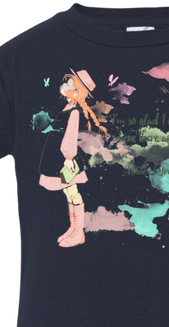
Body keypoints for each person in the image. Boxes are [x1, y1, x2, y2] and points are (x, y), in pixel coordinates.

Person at [39, 68, 107, 247]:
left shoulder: (74, 111)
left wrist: (69, 157)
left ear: (77, 91)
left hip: (65, 158)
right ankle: (74, 228)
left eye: (70, 83)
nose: (65, 84)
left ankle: (78, 232)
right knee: (69, 191)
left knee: (72, 191)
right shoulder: (68, 107)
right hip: (61, 156)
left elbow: (70, 136)